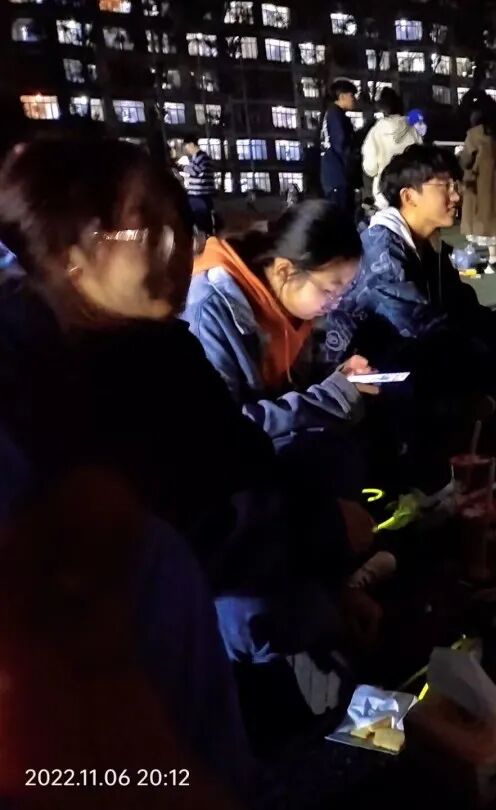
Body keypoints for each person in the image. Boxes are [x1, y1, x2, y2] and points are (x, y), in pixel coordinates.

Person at [0, 138, 259, 799]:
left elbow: (245, 460)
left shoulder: (161, 346)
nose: (177, 250)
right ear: (69, 250)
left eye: (182, 226)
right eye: (147, 229)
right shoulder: (33, 388)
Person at [321, 144, 496, 404]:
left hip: (412, 345)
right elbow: (417, 325)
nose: (456, 196)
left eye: (456, 186)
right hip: (365, 365)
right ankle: (490, 397)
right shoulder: (381, 251)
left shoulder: (428, 243)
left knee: (495, 325)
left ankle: (490, 400)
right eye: (445, 186)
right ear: (409, 197)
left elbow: (461, 303)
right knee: (438, 352)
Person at [182, 200, 374, 449]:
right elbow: (220, 429)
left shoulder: (294, 307)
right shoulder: (210, 310)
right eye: (329, 291)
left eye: (343, 292)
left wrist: (339, 377)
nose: (335, 303)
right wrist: (332, 396)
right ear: (285, 271)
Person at [459, 107, 496, 274]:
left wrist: (459, 156)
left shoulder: (474, 134)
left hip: (481, 182)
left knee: (483, 219)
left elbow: (466, 160)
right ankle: (494, 258)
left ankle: (489, 259)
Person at [362, 87, 423, 209]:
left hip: (385, 189)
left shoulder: (377, 130)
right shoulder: (413, 129)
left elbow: (370, 167)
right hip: (410, 186)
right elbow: (421, 157)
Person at [320, 78, 358, 216]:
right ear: (342, 96)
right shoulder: (336, 116)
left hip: (331, 177)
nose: (354, 99)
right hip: (339, 176)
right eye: (352, 95)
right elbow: (342, 146)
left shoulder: (330, 114)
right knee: (343, 219)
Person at [180, 136, 216, 236]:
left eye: (186, 147)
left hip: (200, 196)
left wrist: (182, 167)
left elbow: (195, 171)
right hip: (197, 196)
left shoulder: (202, 157)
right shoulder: (196, 158)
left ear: (192, 144)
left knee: (201, 222)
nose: (186, 150)